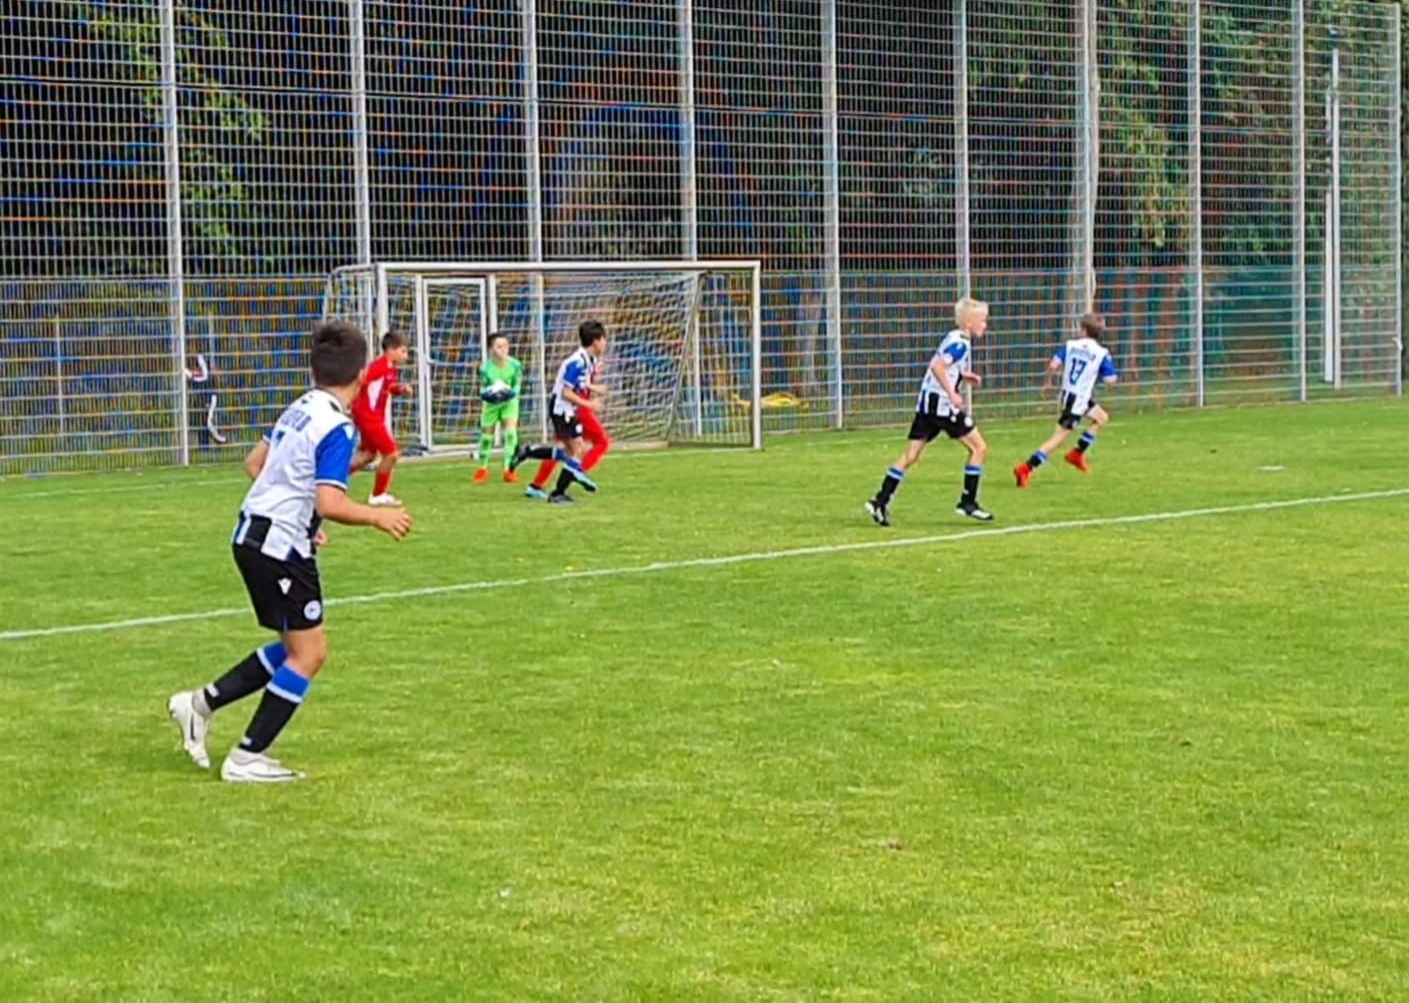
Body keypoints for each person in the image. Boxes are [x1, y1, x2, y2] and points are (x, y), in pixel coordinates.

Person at [166, 321, 413, 783]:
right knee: (309, 653)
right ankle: (247, 757)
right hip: (279, 546)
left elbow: (257, 464)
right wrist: (377, 516)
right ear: (362, 376)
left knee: (296, 646)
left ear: (314, 370)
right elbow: (329, 502)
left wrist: (301, 511)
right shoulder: (338, 425)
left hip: (254, 535)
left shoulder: (298, 409)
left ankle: (199, 705)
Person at [865, 297, 993, 527]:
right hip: (942, 407)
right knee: (979, 447)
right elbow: (937, 367)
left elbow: (941, 364)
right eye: (982, 320)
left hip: (927, 404)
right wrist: (952, 394)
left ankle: (880, 501)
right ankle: (968, 502)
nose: (985, 325)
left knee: (911, 456)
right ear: (969, 322)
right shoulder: (961, 344)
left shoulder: (954, 337)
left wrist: (964, 376)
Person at [1014, 312, 1118, 486]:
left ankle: (1076, 454)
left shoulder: (1070, 345)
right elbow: (1110, 380)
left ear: (1083, 330)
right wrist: (1103, 372)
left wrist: (1047, 383)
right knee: (1058, 438)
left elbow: (1054, 364)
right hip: (1077, 400)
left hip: (1072, 395)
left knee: (1101, 418)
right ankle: (1025, 468)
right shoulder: (1102, 353)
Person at [510, 319, 606, 504]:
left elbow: (580, 383)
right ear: (596, 341)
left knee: (569, 452)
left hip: (567, 409)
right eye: (603, 339)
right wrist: (589, 405)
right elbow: (566, 392)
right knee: (576, 451)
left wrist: (594, 388)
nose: (605, 344)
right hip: (562, 408)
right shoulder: (578, 362)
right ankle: (558, 492)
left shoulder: (587, 360)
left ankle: (528, 452)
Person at [351, 331, 413, 506]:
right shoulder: (379, 366)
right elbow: (361, 381)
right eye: (403, 351)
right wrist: (351, 403)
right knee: (392, 454)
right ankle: (378, 495)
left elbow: (385, 386)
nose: (406, 356)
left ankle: (328, 478)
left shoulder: (390, 368)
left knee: (368, 455)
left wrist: (400, 389)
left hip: (371, 415)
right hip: (368, 416)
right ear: (391, 350)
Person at [474, 333, 525, 484]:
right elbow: (482, 388)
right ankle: (482, 468)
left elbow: (517, 384)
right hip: (492, 405)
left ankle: (508, 470)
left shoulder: (515, 365)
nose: (503, 349)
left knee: (510, 434)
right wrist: (489, 394)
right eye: (499, 346)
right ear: (491, 349)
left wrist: (511, 393)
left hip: (509, 402)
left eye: (506, 346)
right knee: (486, 437)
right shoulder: (485, 368)